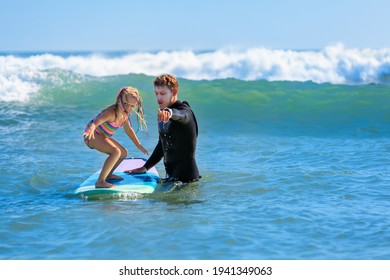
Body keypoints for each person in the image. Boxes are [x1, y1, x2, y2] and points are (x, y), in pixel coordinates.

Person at [126, 74, 199, 183]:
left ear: (174, 92)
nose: (159, 98)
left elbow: (181, 115)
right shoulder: (162, 113)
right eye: (156, 93)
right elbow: (162, 145)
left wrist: (169, 113)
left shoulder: (184, 111)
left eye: (163, 93)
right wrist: (145, 167)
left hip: (187, 181)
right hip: (171, 179)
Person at [82, 87, 148, 188]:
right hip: (92, 135)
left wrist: (138, 145)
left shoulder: (125, 116)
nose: (128, 108)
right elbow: (96, 122)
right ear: (118, 100)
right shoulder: (111, 112)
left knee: (123, 153)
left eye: (132, 106)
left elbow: (129, 130)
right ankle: (100, 181)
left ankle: (108, 175)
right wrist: (90, 130)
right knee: (116, 152)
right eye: (125, 103)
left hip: (102, 136)